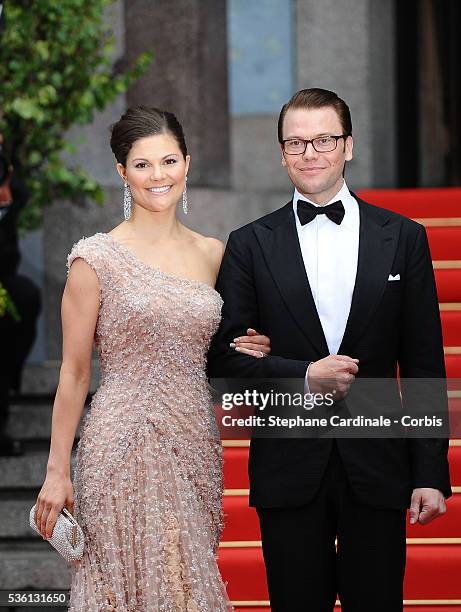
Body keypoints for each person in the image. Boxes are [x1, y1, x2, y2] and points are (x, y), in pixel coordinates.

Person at [207, 88, 452, 611]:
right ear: (281, 153)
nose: (310, 152)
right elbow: (225, 362)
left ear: (348, 146)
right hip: (289, 461)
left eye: (323, 139)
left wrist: (430, 473)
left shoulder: (404, 237)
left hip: (379, 458)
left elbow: (426, 362)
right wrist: (302, 376)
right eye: (296, 143)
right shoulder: (249, 243)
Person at [33, 106, 271, 611]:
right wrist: (57, 471)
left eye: (168, 161)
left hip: (194, 441)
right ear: (123, 172)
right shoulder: (94, 259)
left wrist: (255, 346)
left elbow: (226, 348)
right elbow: (74, 374)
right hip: (121, 445)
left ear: (187, 162)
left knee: (187, 581)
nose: (158, 176)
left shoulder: (215, 254)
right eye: (142, 165)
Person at [0, 131, 42, 456]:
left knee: (26, 296)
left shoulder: (9, 187)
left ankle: (7, 392)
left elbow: (22, 194)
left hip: (5, 280)